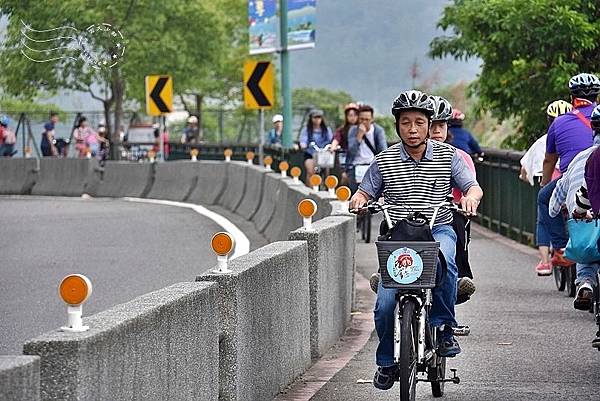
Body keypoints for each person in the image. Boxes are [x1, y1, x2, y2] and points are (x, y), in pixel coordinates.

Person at [349, 89, 483, 390]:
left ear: (429, 124)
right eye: (406, 122)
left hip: (438, 229)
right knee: (384, 303)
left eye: (419, 122)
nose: (412, 129)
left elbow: (472, 187)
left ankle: (444, 327)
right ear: (397, 125)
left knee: (446, 261)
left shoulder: (449, 156)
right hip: (398, 236)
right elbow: (364, 191)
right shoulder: (383, 160)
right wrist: (358, 199)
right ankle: (385, 362)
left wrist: (471, 200)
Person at [541, 73, 599, 267]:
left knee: (544, 197)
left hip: (572, 176)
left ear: (571, 97)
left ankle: (559, 249)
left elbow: (549, 159)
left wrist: (545, 183)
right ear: (597, 96)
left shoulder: (559, 122)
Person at [550, 104, 600, 311]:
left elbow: (585, 192)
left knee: (585, 248)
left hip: (590, 214)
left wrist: (577, 212)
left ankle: (586, 281)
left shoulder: (587, 157)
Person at [429, 95, 477, 303]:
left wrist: (468, 200)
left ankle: (460, 277)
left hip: (447, 214)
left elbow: (471, 187)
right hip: (413, 213)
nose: (436, 131)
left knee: (457, 223)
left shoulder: (458, 157)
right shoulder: (404, 156)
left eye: (441, 125)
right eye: (431, 126)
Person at [519, 100, 571, 275]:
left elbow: (525, 168)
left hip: (552, 184)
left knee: (543, 216)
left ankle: (545, 261)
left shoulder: (543, 141)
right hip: (575, 182)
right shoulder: (580, 133)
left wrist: (531, 179)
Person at [345, 104, 387, 192]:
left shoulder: (378, 131)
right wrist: (359, 137)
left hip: (372, 166)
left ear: (372, 119)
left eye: (367, 119)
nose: (364, 122)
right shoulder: (353, 130)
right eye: (361, 119)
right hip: (355, 167)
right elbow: (351, 151)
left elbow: (383, 152)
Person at [299, 109, 333, 184]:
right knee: (311, 171)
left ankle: (327, 189)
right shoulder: (307, 130)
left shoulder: (326, 130)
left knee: (327, 172)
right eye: (315, 117)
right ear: (311, 118)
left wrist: (332, 146)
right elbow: (303, 140)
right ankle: (310, 189)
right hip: (311, 154)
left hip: (324, 155)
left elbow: (331, 140)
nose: (317, 120)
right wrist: (303, 144)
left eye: (319, 117)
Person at [332, 103, 359, 185]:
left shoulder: (361, 129)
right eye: (350, 115)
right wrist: (333, 146)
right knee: (345, 177)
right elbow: (336, 139)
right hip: (345, 156)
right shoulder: (342, 129)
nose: (352, 118)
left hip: (358, 157)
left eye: (354, 115)